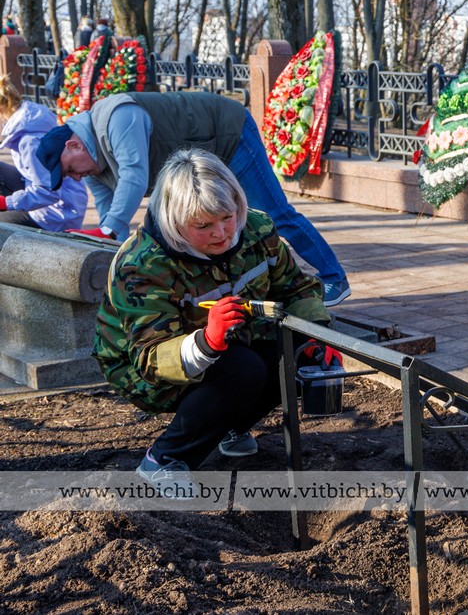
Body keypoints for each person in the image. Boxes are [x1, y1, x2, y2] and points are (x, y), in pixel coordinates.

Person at [94, 149, 343, 497]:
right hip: (141, 365)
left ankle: (230, 425)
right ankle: (164, 460)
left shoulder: (256, 229)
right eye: (203, 226)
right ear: (174, 221)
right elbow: (150, 358)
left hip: (235, 338)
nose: (222, 233)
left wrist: (319, 335)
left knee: (298, 352)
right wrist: (206, 341)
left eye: (227, 216)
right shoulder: (143, 264)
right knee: (242, 370)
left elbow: (296, 289)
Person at [35, 90, 352, 305]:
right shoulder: (94, 169)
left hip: (228, 135)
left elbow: (134, 175)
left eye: (69, 169)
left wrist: (108, 229)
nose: (74, 177)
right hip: (197, 163)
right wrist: (116, 287)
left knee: (273, 214)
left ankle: (333, 278)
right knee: (213, 228)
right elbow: (112, 225)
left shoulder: (117, 116)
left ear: (74, 146)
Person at [0, 74, 87, 230]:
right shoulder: (30, 117)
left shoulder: (29, 141)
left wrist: (7, 203)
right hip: (64, 199)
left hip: (57, 215)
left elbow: (49, 191)